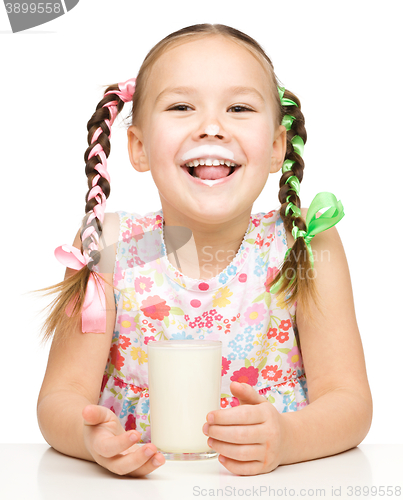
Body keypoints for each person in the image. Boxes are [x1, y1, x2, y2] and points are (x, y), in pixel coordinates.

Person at [35, 23, 372, 477]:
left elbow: (349, 402)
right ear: (138, 147)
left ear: (276, 147)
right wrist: (89, 438)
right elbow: (61, 396)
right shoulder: (107, 247)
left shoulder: (303, 241)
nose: (211, 127)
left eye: (238, 107)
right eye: (180, 106)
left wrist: (288, 439)